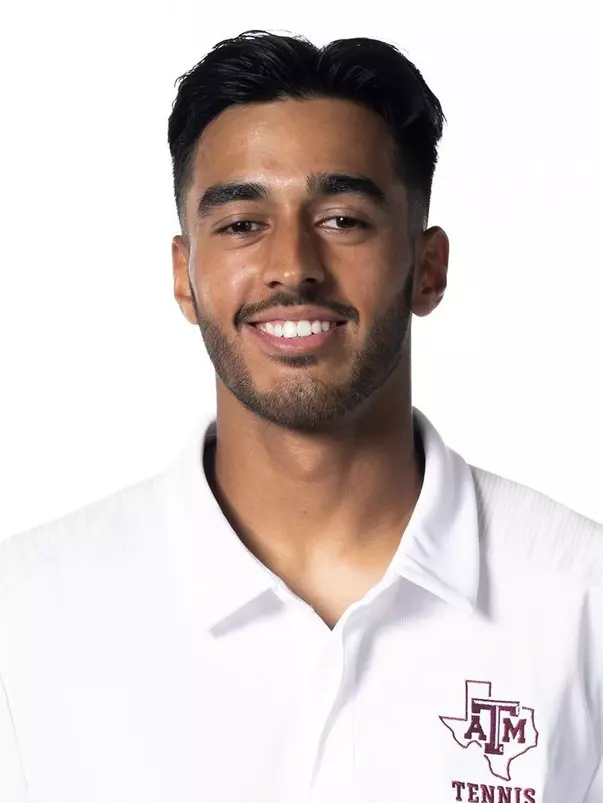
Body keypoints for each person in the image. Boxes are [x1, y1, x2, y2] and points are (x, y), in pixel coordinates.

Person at [0, 30, 601, 803]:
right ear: (184, 278)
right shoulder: (26, 617)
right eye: (241, 223)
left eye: (342, 218)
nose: (292, 265)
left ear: (427, 267)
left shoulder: (579, 604)